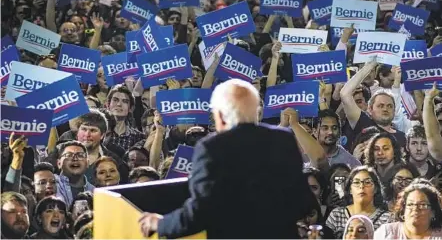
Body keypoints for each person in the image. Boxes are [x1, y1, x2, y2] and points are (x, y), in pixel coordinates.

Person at [138, 79, 317, 238]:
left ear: (221, 116)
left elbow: (201, 212)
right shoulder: (283, 139)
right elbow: (303, 201)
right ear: (256, 111)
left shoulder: (211, 148)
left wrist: (160, 224)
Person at [326, 166, 391, 239]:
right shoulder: (336, 214)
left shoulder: (387, 218)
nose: (362, 186)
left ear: (375, 189)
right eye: (356, 182)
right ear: (350, 189)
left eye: (367, 182)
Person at [374, 181, 442, 239]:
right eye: (410, 204)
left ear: (433, 212)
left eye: (422, 205)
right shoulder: (386, 232)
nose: (415, 209)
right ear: (403, 210)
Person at [55, 141, 94, 207]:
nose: (75, 158)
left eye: (80, 155)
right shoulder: (51, 185)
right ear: (59, 163)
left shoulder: (95, 192)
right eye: (69, 155)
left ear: (87, 163)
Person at [106, 85, 144, 151]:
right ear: (108, 105)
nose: (119, 104)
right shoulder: (99, 133)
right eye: (115, 100)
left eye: (125, 101)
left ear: (131, 108)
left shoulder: (138, 137)